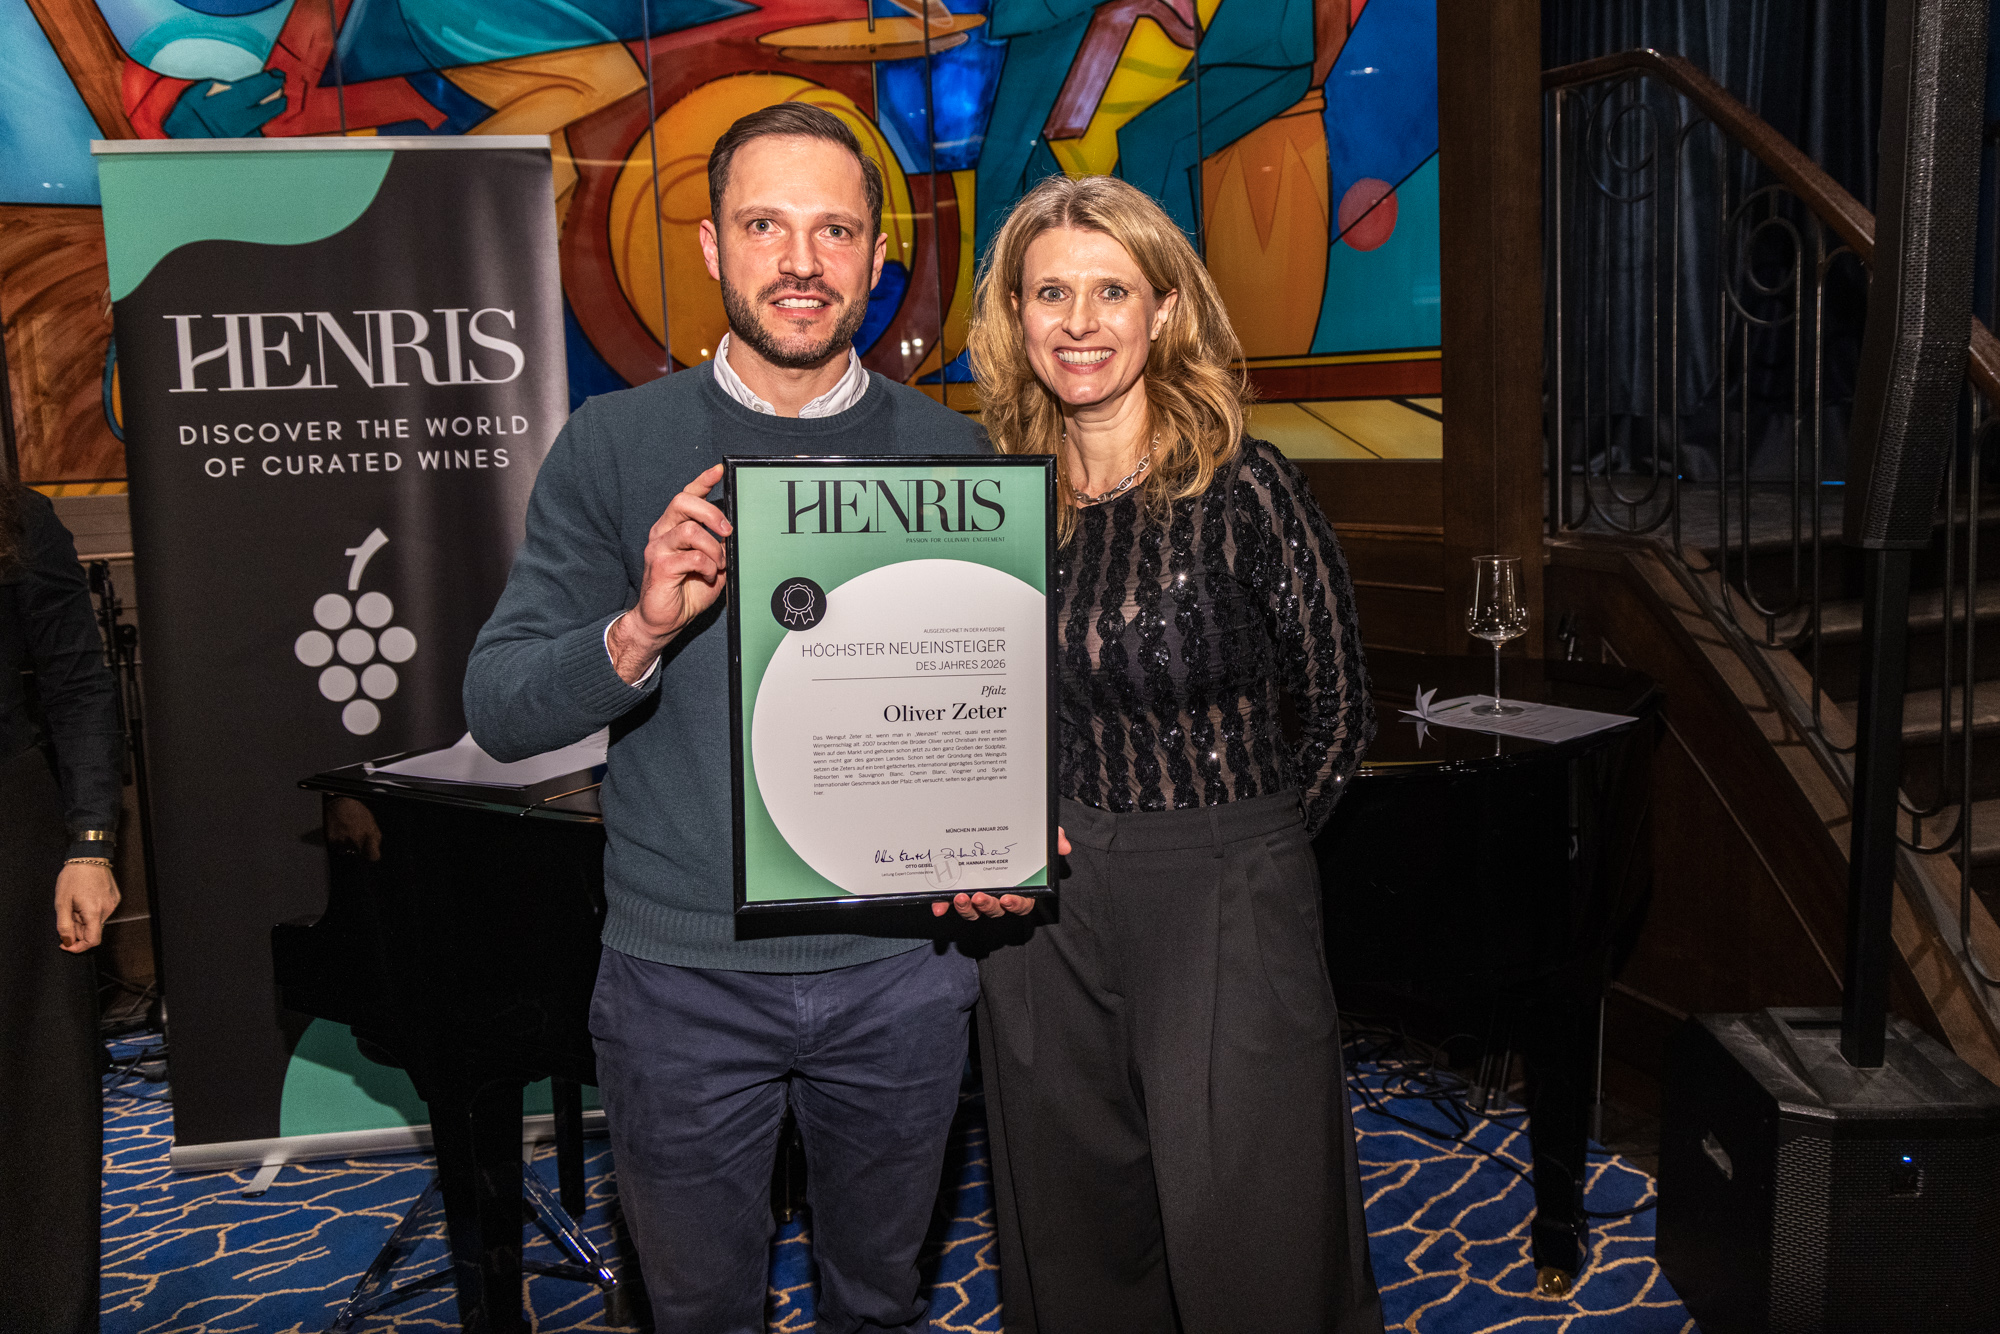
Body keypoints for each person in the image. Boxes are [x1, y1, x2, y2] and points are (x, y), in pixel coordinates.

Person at [463, 103, 989, 1334]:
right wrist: (639, 629)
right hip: (681, 982)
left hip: (899, 976)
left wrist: (1000, 830)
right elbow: (499, 705)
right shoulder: (614, 445)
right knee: (695, 1309)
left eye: (834, 230)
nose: (801, 260)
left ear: (875, 256)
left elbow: (996, 702)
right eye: (764, 225)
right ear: (709, 246)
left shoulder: (951, 452)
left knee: (878, 1299)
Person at [942, 174, 1385, 1333]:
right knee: (1072, 1207)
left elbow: (1338, 711)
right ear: (1015, 315)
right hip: (1040, 901)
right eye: (1050, 292)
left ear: (1164, 310)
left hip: (1223, 888)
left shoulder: (1244, 487)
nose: (1078, 320)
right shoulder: (993, 502)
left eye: (1110, 290)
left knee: (1247, 1219)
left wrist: (1248, 857)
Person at [0, 475, 123, 1334]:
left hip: (12, 834)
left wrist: (90, 845)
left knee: (34, 1108)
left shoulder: (18, 519)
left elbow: (78, 687)